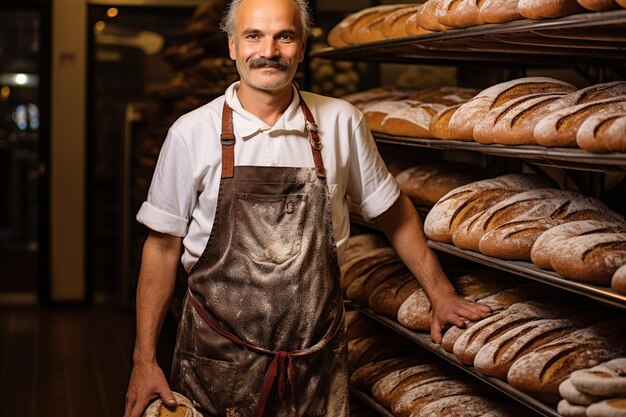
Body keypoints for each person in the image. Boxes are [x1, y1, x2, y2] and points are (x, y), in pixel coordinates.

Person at [123, 0, 492, 416]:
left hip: (315, 363)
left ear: (302, 47)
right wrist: (143, 360)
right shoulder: (191, 133)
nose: (269, 50)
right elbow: (162, 247)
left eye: (285, 36)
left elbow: (395, 213)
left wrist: (441, 294)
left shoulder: (341, 121)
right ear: (232, 46)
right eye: (253, 36)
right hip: (215, 362)